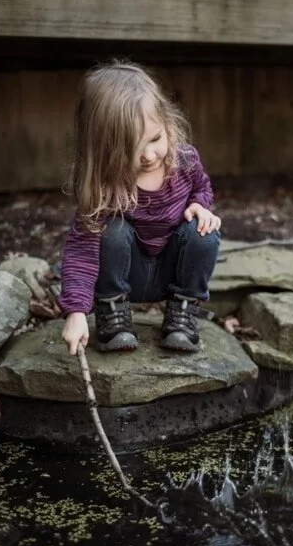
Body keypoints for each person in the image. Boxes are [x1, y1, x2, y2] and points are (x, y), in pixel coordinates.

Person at [58, 60, 222, 356]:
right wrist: (76, 311)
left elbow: (202, 188)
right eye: (132, 149)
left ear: (167, 121)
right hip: (125, 275)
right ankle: (113, 315)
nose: (149, 155)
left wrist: (200, 205)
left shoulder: (185, 161)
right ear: (104, 149)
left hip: (172, 273)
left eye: (156, 138)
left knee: (204, 233)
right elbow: (81, 251)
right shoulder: (105, 187)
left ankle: (182, 314)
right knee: (112, 229)